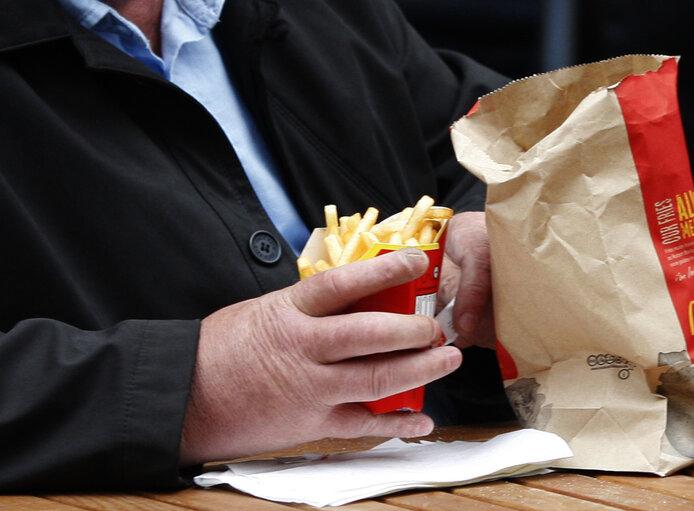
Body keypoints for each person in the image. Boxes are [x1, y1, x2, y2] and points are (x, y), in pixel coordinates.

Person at [0, 0, 512, 491]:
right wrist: (190, 391)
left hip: (479, 467)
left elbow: (501, 132)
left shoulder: (331, 13)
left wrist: (495, 219)